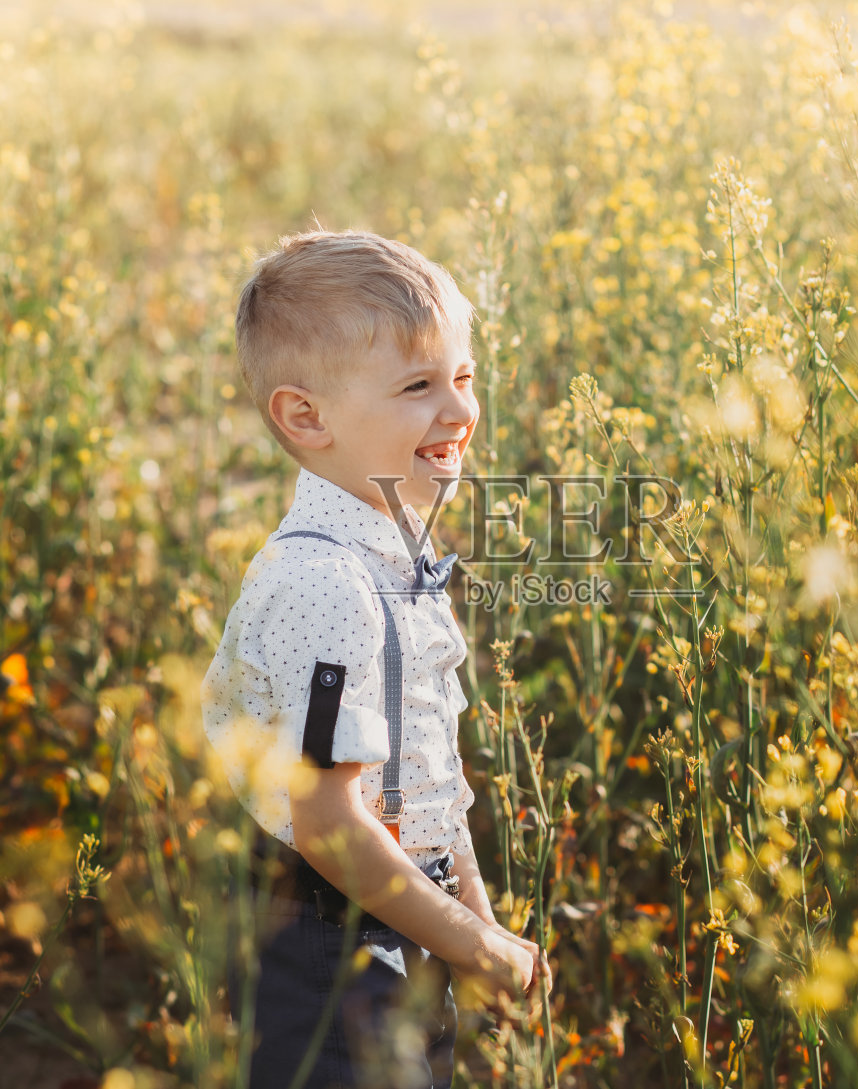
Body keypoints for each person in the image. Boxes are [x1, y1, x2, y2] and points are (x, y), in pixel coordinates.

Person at [201, 228, 551, 1089]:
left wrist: (477, 924)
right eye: (418, 385)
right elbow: (328, 820)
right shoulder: (325, 581)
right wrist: (472, 942)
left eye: (464, 377)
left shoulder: (394, 559)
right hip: (327, 934)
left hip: (399, 910)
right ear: (306, 417)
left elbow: (427, 779)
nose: (461, 410)